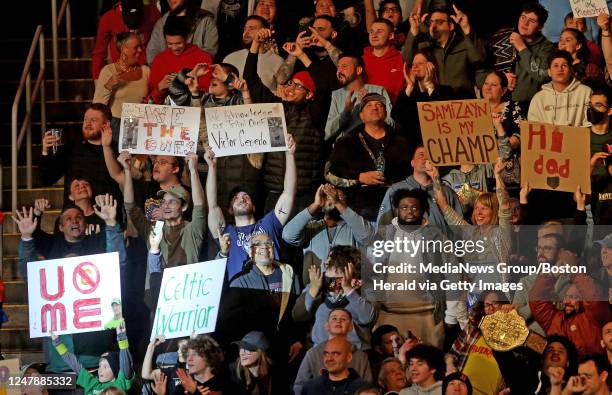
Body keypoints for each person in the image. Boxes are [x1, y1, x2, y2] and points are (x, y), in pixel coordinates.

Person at [15, 195, 125, 375]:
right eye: (68, 218)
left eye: (79, 218)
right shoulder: (50, 285)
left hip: (96, 364)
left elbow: (118, 262)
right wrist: (26, 237)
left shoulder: (98, 281)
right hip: (59, 368)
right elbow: (29, 271)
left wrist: (112, 224)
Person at [368, 188, 468, 349]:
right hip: (388, 315)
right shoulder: (384, 235)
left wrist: (450, 316)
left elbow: (453, 277)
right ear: (396, 210)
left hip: (427, 318)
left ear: (423, 210)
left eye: (414, 208)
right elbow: (371, 273)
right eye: (404, 207)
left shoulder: (437, 238)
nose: (409, 212)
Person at [245, 27, 324, 213]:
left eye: (298, 86)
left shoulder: (315, 113)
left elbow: (323, 85)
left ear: (309, 94)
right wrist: (256, 44)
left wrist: (301, 55)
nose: (290, 88)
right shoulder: (276, 108)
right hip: (274, 193)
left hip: (303, 195)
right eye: (290, 83)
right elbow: (250, 79)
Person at [217, 233, 303, 392]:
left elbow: (298, 312)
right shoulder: (239, 281)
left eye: (268, 244)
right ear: (250, 252)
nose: (264, 247)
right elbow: (227, 318)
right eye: (258, 244)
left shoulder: (290, 276)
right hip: (258, 354)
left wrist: (298, 338)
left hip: (287, 352)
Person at [204, 133, 296, 280]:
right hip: (241, 293)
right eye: (236, 198)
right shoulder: (226, 232)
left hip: (272, 291)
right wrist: (212, 167)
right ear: (229, 209)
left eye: (246, 197)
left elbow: (289, 193)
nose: (241, 199)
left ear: (253, 207)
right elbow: (213, 205)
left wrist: (290, 155)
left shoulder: (269, 224)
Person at [326, 92, 412, 221]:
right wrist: (359, 177)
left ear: (386, 113)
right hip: (358, 212)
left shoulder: (401, 142)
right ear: (361, 116)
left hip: (395, 211)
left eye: (379, 105)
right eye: (369, 105)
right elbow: (331, 173)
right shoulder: (347, 142)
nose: (374, 107)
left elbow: (411, 175)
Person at [282, 184, 374, 285]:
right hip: (314, 292)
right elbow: (287, 235)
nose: (332, 198)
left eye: (338, 197)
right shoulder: (312, 227)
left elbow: (369, 237)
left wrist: (337, 203)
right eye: (328, 196)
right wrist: (315, 205)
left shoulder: (353, 228)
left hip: (346, 290)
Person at [39, 103, 123, 212]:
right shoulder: (73, 148)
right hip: (74, 220)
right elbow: (45, 179)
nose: (87, 123)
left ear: (106, 124)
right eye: (85, 119)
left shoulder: (117, 151)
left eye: (93, 120)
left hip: (108, 220)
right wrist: (45, 150)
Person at [293, 246, 376, 349]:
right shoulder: (318, 283)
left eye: (331, 260)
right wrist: (314, 289)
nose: (326, 263)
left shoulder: (363, 288)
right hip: (320, 350)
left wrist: (348, 289)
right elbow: (297, 315)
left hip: (352, 351)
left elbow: (367, 318)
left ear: (346, 267)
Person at [403, 5, 486, 99]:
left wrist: (466, 29)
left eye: (439, 22)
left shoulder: (464, 44)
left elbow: (479, 59)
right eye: (431, 22)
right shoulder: (426, 47)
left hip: (463, 103)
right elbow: (408, 60)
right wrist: (413, 31)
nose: (433, 26)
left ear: (450, 26)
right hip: (437, 103)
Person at [377, 146, 462, 233]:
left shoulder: (447, 192)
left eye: (430, 157)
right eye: (421, 155)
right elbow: (383, 227)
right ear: (412, 163)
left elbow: (460, 230)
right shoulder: (395, 190)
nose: (426, 159)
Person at [529, 272, 611, 356]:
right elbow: (536, 300)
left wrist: (574, 272)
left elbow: (593, 297)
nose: (566, 301)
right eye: (566, 297)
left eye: (573, 297)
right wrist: (552, 274)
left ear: (584, 301)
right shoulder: (553, 319)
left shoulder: (595, 316)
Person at [293, 308, 373, 395]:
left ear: (350, 327)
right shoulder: (312, 354)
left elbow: (369, 387)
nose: (338, 321)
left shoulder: (361, 356)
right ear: (326, 326)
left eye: (343, 319)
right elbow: (299, 386)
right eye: (334, 318)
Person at [448, 290, 508, 395]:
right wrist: (449, 364)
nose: (491, 308)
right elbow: (452, 354)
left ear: (504, 305)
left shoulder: (515, 336)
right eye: (487, 305)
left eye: (495, 303)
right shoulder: (473, 329)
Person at [93, 32, 150, 142]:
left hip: (142, 123)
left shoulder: (146, 71)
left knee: (138, 159)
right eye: (136, 47)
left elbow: (153, 99)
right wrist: (109, 85)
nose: (140, 50)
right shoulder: (108, 71)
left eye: (141, 46)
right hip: (117, 125)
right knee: (120, 159)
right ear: (124, 49)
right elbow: (97, 106)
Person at [391, 49, 454, 145]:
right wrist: (409, 86)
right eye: (413, 64)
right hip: (414, 148)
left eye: (420, 63)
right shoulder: (408, 93)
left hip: (439, 143)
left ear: (431, 66)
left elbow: (439, 116)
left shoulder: (446, 91)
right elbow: (396, 116)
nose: (415, 66)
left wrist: (429, 85)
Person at [325, 54, 393, 141]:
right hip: (346, 150)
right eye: (338, 67)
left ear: (358, 70)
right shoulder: (336, 95)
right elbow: (328, 133)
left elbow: (390, 124)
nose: (339, 71)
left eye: (344, 66)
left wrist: (368, 105)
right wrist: (346, 112)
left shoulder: (378, 91)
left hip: (375, 148)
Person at [50, 325, 134, 394]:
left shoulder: (119, 385)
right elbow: (75, 365)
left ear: (115, 370)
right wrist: (58, 344)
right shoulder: (92, 384)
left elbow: (125, 366)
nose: (100, 370)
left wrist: (122, 337)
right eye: (100, 366)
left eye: (105, 366)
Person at [148, 17, 213, 104]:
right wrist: (160, 87)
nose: (174, 48)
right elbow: (151, 99)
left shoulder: (203, 57)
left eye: (179, 43)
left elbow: (208, 93)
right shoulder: (159, 59)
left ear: (187, 38)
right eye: (170, 44)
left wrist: (183, 83)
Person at [92, 0, 160, 80]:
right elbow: (99, 53)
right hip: (120, 74)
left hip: (146, 72)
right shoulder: (108, 18)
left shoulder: (153, 14)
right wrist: (97, 79)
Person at [506, 2, 554, 111]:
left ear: (540, 27)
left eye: (532, 21)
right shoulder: (503, 39)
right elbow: (483, 70)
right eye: (523, 17)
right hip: (500, 105)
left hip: (531, 107)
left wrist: (521, 48)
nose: (525, 23)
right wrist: (501, 78)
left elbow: (542, 74)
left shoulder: (547, 47)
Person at [481, 70, 524, 190]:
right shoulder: (472, 108)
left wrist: (492, 146)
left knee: (505, 206)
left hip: (506, 171)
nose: (488, 88)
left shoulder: (513, 107)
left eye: (494, 85)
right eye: (486, 84)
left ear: (504, 90)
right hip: (480, 174)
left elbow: (519, 137)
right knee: (473, 203)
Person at [527, 50, 592, 127]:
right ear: (549, 72)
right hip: (549, 139)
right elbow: (534, 127)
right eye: (555, 65)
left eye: (564, 65)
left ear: (571, 70)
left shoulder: (585, 92)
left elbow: (589, 124)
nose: (560, 69)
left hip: (577, 138)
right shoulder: (539, 98)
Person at [223, 15, 283, 91]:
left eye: (252, 29)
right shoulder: (230, 59)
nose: (246, 32)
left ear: (265, 32)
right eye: (245, 28)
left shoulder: (277, 61)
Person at [146, 0, 218, 63]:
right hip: (167, 75)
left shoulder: (205, 22)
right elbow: (152, 55)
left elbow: (209, 54)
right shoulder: (161, 23)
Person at [301, 336, 365, 395]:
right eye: (326, 354)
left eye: (335, 354)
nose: (329, 358)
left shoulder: (363, 389)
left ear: (349, 357)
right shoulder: (310, 387)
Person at [363, 18, 405, 103]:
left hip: (396, 111)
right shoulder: (361, 61)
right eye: (371, 32)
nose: (374, 35)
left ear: (391, 36)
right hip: (367, 112)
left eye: (379, 31)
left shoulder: (401, 59)